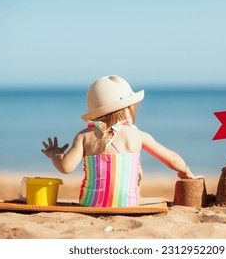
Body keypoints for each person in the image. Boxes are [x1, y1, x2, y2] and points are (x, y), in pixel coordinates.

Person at [42, 75, 199, 207]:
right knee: (136, 165)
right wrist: (186, 172)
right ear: (127, 109)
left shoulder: (84, 136)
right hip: (128, 204)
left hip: (91, 204)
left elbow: (65, 167)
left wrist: (55, 154)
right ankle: (134, 195)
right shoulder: (138, 136)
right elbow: (172, 159)